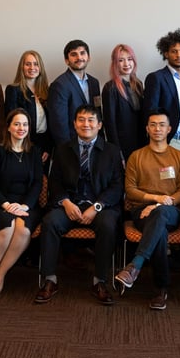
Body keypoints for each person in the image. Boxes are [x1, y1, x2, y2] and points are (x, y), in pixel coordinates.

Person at [35, 105, 123, 306]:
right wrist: (65, 202)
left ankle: (99, 281)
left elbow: (117, 187)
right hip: (69, 205)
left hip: (100, 207)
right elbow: (54, 182)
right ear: (74, 124)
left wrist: (97, 207)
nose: (86, 124)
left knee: (108, 225)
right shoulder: (63, 149)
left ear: (99, 125)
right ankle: (49, 279)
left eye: (91, 120)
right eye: (81, 120)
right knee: (50, 222)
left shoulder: (112, 151)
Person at [114, 108, 180, 310]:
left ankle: (135, 265)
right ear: (147, 129)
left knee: (159, 215)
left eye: (162, 125)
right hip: (141, 211)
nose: (157, 129)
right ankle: (161, 290)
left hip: (171, 209)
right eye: (153, 125)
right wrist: (155, 199)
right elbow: (130, 190)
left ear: (169, 129)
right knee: (160, 231)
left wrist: (158, 205)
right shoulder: (136, 157)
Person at [0, 108, 44, 299]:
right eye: (16, 124)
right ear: (8, 127)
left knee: (22, 229)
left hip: (26, 205)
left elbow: (38, 183)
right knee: (7, 226)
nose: (21, 128)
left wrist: (24, 206)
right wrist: (6, 205)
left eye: (25, 124)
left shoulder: (34, 152)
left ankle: (0, 274)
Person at [143, 29, 180, 164]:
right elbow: (150, 112)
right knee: (169, 183)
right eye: (174, 51)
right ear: (166, 53)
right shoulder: (156, 78)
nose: (178, 55)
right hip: (170, 140)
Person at [48, 40, 102, 146]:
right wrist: (67, 150)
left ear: (88, 57)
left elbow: (97, 112)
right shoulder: (59, 85)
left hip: (93, 143)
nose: (79, 58)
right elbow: (58, 123)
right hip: (72, 145)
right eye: (74, 54)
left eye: (82, 53)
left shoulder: (94, 82)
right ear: (67, 60)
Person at [4, 50, 53, 165]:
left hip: (43, 145)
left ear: (40, 67)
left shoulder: (47, 91)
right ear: (22, 67)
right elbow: (11, 121)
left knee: (42, 181)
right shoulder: (13, 90)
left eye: (36, 64)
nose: (32, 67)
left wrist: (47, 148)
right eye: (28, 64)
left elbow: (51, 122)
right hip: (22, 143)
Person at [102, 43, 146, 162]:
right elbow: (109, 123)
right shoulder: (110, 88)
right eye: (121, 60)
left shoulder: (138, 84)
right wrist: (117, 152)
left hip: (141, 142)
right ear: (115, 64)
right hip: (123, 146)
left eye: (129, 59)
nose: (126, 64)